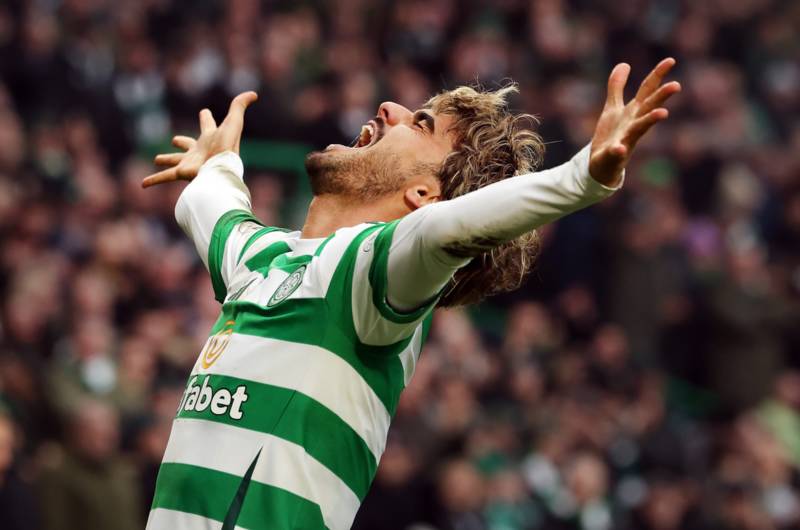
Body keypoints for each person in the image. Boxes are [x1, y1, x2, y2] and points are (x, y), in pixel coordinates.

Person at [142, 59, 680, 530]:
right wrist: (218, 164)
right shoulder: (261, 259)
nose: (390, 107)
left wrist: (581, 179)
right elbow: (209, 205)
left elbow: (439, 232)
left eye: (421, 123)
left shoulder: (369, 279)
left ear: (425, 195)